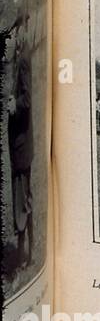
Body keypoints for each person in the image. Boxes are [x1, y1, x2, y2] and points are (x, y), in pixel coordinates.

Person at [6, 17, 34, 270]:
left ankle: (24, 254)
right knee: (24, 197)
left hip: (22, 144)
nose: (10, 38)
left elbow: (28, 100)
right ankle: (28, 251)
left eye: (13, 34)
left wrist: (14, 105)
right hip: (20, 143)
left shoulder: (23, 61)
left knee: (22, 197)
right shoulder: (18, 61)